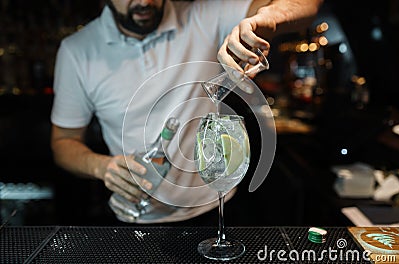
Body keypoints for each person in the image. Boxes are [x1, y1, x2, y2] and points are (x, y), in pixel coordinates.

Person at [50, 0, 322, 224]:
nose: (144, 2)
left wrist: (267, 19)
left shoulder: (202, 15)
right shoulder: (77, 51)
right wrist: (101, 166)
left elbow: (308, 5)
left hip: (218, 209)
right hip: (137, 217)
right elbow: (63, 142)